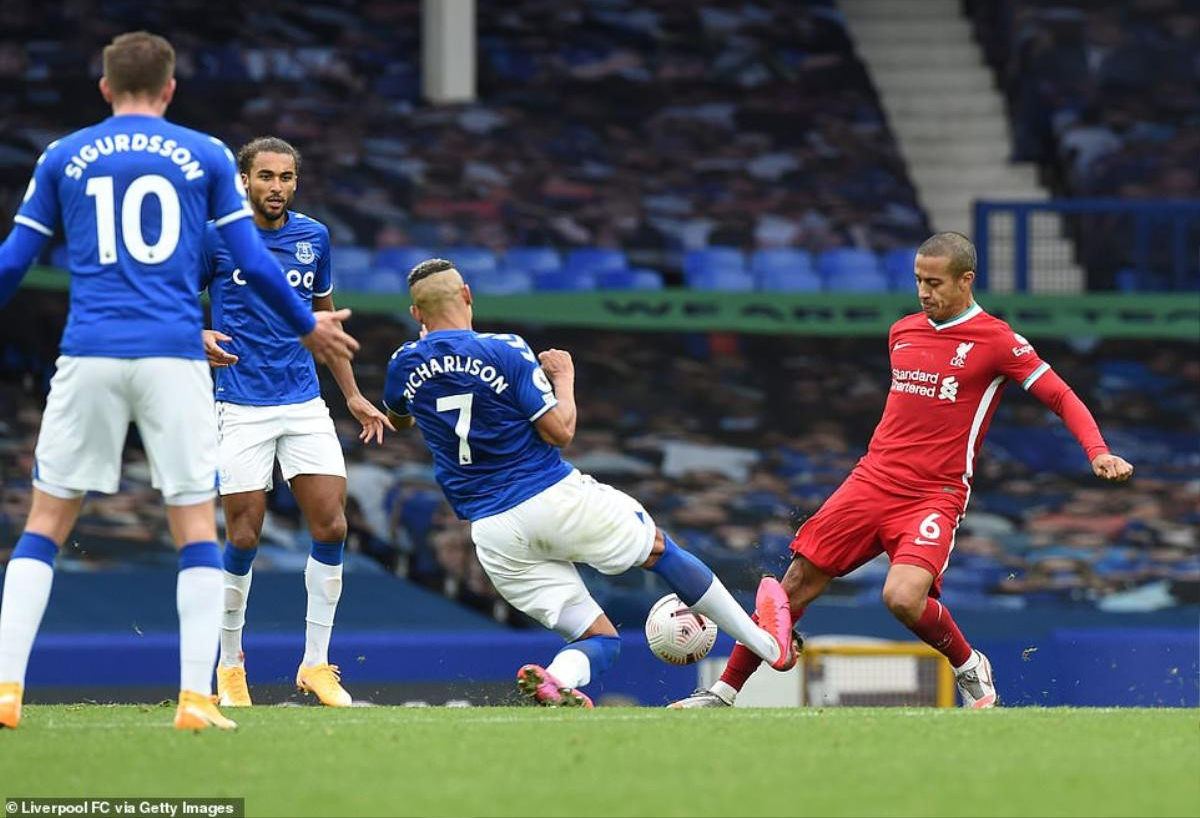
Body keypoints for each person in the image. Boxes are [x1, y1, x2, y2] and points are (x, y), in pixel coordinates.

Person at [0, 32, 359, 731]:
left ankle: (6, 688)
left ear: (105, 88)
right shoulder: (205, 154)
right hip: (172, 356)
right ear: (169, 90)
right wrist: (308, 324)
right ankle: (197, 700)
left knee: (44, 523)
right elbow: (254, 264)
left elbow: (14, 261)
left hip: (91, 350)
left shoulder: (62, 155)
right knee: (197, 526)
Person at [671, 231, 1134, 709]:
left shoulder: (997, 341)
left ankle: (969, 664)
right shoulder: (903, 332)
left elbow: (1059, 394)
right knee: (791, 588)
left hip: (934, 494)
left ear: (966, 281)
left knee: (903, 598)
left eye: (934, 282)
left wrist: (1096, 450)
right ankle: (723, 693)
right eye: (918, 280)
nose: (924, 291)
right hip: (871, 481)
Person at [382, 259, 796, 707]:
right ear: (467, 294)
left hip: (492, 533)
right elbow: (560, 431)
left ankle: (557, 679)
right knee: (658, 549)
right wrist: (564, 377)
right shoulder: (504, 349)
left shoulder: (403, 364)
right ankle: (769, 647)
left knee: (598, 637)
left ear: (416, 313)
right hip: (549, 496)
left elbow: (398, 419)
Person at [197, 136, 391, 708]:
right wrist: (195, 332)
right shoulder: (216, 237)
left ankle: (315, 665)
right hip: (241, 404)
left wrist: (352, 394)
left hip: (305, 402)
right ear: (244, 180)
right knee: (244, 536)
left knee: (332, 528)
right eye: (265, 176)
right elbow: (175, 300)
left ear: (295, 183)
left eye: (285, 177)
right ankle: (230, 667)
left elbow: (327, 327)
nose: (276, 186)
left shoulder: (315, 238)